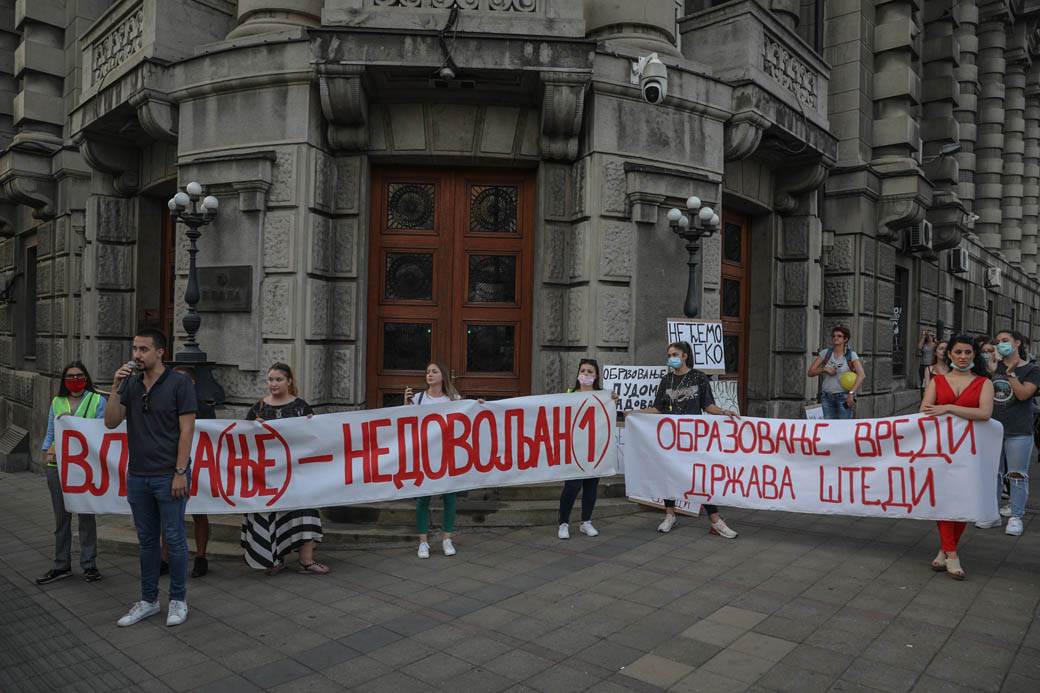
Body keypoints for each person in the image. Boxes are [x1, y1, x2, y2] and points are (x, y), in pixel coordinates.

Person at [105, 328, 197, 627]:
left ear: (160, 352)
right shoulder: (130, 384)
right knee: (146, 541)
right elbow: (111, 421)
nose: (137, 355)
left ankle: (178, 600)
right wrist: (115, 387)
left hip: (169, 474)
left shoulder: (179, 383)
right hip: (138, 475)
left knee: (174, 538)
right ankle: (148, 601)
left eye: (143, 349)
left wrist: (180, 471)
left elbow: (187, 430)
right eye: (135, 349)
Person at [637, 341, 739, 538]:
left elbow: (708, 405)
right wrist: (635, 413)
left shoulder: (699, 377)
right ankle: (670, 515)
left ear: (684, 356)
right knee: (668, 475)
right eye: (669, 355)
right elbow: (657, 408)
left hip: (692, 437)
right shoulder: (666, 380)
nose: (671, 358)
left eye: (674, 354)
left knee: (698, 478)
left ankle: (716, 520)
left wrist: (725, 412)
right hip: (670, 437)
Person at [241, 363, 329, 575]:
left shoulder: (301, 407)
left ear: (289, 381)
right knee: (273, 513)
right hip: (268, 474)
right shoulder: (258, 408)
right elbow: (243, 441)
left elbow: (314, 439)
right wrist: (253, 428)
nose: (273, 384)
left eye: (278, 379)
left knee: (304, 509)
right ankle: (275, 559)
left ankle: (306, 560)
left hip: (297, 472)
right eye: (270, 379)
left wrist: (312, 424)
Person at [920, 334, 994, 579]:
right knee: (943, 500)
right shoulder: (937, 381)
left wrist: (949, 407)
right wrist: (953, 411)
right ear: (949, 354)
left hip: (970, 452)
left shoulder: (984, 383)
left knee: (963, 501)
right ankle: (952, 554)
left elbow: (984, 413)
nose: (963, 357)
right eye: (958, 352)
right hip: (941, 450)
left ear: (974, 355)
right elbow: (924, 410)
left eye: (968, 352)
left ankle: (944, 550)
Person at [36, 362, 107, 585]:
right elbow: (50, 432)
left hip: (85, 467)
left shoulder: (98, 400)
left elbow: (101, 432)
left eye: (79, 375)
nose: (75, 379)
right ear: (64, 380)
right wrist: (45, 453)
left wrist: (75, 423)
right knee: (61, 518)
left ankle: (89, 564)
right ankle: (61, 565)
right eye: (70, 376)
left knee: (86, 517)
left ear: (86, 378)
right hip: (57, 466)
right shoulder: (57, 402)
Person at [980, 330, 1040, 536]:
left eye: (1005, 340)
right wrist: (991, 371)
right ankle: (992, 512)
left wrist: (1011, 374)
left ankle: (1016, 517)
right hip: (993, 428)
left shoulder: (1031, 370)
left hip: (1019, 430)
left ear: (1017, 343)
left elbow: (1023, 395)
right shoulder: (993, 366)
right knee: (993, 473)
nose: (1000, 344)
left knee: (1017, 475)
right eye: (998, 341)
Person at [160, 366, 214, 578]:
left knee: (200, 512)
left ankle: (201, 557)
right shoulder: (164, 404)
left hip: (201, 466)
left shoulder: (205, 408)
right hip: (171, 465)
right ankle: (164, 558)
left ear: (192, 383)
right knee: (168, 514)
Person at [557, 359, 618, 540]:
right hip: (574, 448)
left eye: (590, 372)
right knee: (572, 486)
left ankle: (586, 522)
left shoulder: (603, 396)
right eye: (583, 370)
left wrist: (613, 401)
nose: (586, 374)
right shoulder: (569, 394)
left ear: (596, 376)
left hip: (594, 448)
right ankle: (563, 523)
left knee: (591, 486)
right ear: (578, 373)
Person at [406, 362, 462, 559]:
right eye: (428, 371)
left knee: (450, 497)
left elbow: (466, 419)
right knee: (423, 498)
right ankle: (423, 542)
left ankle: (447, 538)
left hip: (447, 454)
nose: (429, 374)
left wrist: (479, 405)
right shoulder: (418, 399)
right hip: (425, 455)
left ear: (442, 376)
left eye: (434, 371)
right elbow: (405, 423)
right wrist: (406, 404)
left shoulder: (453, 399)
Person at [807, 325, 865, 419]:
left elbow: (861, 375)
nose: (835, 338)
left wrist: (851, 393)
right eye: (833, 336)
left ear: (845, 339)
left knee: (843, 426)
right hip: (827, 397)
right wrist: (824, 369)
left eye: (839, 336)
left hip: (844, 397)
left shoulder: (851, 355)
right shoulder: (825, 353)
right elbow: (810, 372)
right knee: (828, 426)